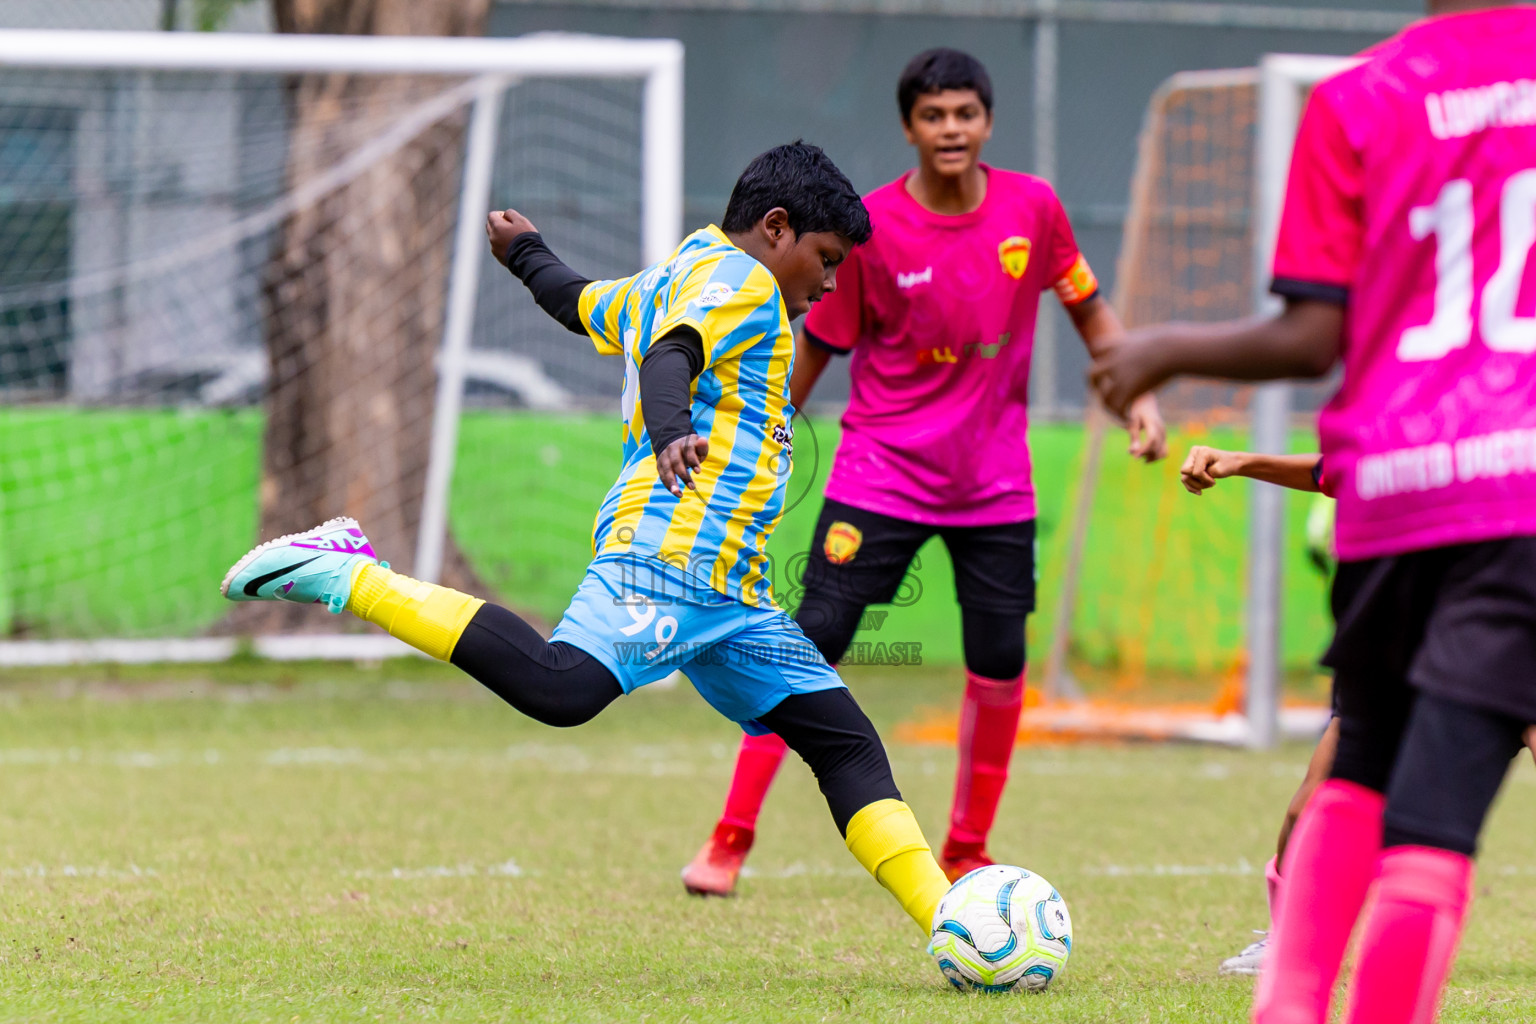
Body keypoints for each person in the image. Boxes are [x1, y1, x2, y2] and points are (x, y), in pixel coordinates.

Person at [220, 142, 953, 942]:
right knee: (564, 689)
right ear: (776, 229)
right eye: (826, 259)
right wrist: (672, 431)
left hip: (736, 598)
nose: (829, 283)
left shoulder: (681, 271)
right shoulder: (741, 285)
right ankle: (348, 574)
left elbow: (580, 304)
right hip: (670, 557)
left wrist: (525, 253)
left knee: (842, 740)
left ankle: (949, 919)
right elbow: (677, 352)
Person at [1091, 4, 1536, 1019]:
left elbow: (1309, 339)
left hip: (1396, 493)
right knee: (1428, 828)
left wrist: (1163, 348)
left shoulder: (1357, 97)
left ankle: (1285, 1003)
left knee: (1357, 771)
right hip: (1515, 498)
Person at [680, 48, 1167, 898]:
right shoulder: (866, 229)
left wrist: (1139, 398)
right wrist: (754, 433)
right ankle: (730, 837)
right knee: (805, 646)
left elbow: (1089, 309)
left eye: (965, 114)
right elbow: (814, 353)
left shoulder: (1036, 209)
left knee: (1000, 658)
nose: (952, 129)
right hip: (880, 473)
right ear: (910, 127)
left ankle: (969, 851)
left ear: (987, 122)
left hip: (995, 482)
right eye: (934, 115)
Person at [1178, 446, 1340, 977]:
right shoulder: (1400, 443)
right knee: (1308, 809)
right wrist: (1240, 462)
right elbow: (1327, 472)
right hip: (1401, 654)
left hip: (1509, 648)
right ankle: (1288, 937)